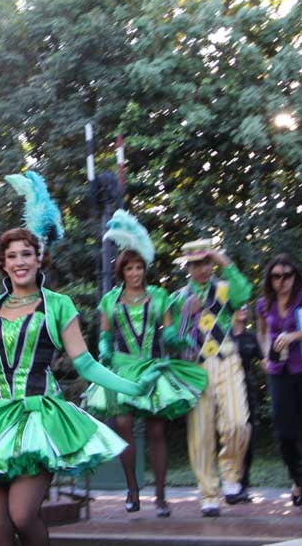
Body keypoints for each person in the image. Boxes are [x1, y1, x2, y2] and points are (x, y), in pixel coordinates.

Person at [0, 227, 161, 546]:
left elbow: (85, 363)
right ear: (2, 263)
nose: (19, 262)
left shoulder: (58, 305)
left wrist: (133, 387)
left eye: (26, 254)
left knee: (23, 515)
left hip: (40, 422)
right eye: (11, 256)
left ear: (39, 259)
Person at [83, 211, 208, 518]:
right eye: (130, 268)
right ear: (121, 271)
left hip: (153, 369)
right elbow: (105, 335)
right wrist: (104, 353)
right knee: (124, 424)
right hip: (124, 370)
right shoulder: (109, 301)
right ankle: (132, 489)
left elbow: (168, 333)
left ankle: (162, 496)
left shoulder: (159, 297)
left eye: (139, 267)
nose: (135, 273)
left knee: (156, 431)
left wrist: (182, 339)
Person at [164, 239, 253, 517]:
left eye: (206, 262)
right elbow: (168, 339)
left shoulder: (224, 288)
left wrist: (223, 260)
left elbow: (244, 295)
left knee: (239, 423)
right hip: (195, 366)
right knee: (200, 433)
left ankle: (231, 476)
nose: (201, 269)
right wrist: (185, 321)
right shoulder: (177, 299)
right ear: (187, 267)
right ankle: (208, 493)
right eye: (195, 264)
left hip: (227, 359)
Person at [254, 254, 302, 514]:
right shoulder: (264, 303)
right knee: (284, 432)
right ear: (270, 279)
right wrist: (265, 355)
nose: (282, 281)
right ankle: (298, 480)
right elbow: (262, 332)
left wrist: (293, 335)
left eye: (287, 275)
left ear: (295, 276)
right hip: (279, 371)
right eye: (276, 276)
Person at [230, 306, 263, 499]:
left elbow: (266, 360)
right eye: (238, 306)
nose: (243, 309)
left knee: (248, 434)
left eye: (245, 306)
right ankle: (230, 479)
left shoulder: (251, 338)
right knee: (231, 433)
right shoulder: (223, 337)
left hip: (247, 390)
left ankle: (244, 481)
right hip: (226, 391)